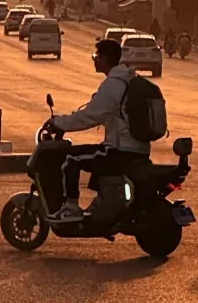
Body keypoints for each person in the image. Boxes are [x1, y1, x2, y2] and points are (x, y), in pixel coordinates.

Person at [46, 39, 152, 223]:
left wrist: (60, 123)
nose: (94, 60)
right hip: (135, 148)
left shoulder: (114, 83)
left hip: (121, 150)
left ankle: (71, 208)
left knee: (70, 159)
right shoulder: (127, 80)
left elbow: (92, 115)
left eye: (96, 56)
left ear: (105, 58)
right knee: (95, 153)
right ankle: (102, 202)